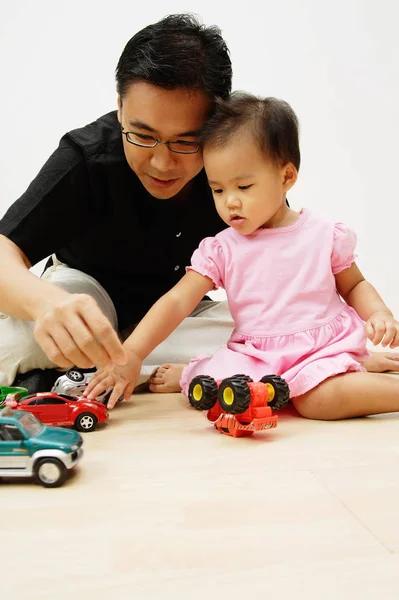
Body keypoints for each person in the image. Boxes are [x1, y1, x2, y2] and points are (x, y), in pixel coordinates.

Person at [0, 15, 397, 392]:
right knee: (26, 340)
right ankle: (97, 355)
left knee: (272, 341)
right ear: (120, 107)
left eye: (186, 141)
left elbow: (286, 286)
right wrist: (45, 302)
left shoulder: (237, 176)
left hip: (184, 316)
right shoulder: (86, 157)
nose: (161, 162)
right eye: (142, 135)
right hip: (88, 295)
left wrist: (335, 349)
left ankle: (102, 364)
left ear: (216, 125)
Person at [84, 93, 399, 421]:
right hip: (257, 355)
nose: (229, 202)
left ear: (286, 177)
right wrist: (133, 352)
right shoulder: (223, 248)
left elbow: (354, 284)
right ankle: (193, 372)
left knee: (316, 402)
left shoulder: (322, 233)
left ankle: (359, 373)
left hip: (321, 348)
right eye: (218, 190)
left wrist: (379, 313)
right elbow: (178, 301)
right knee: (226, 391)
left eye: (244, 187)